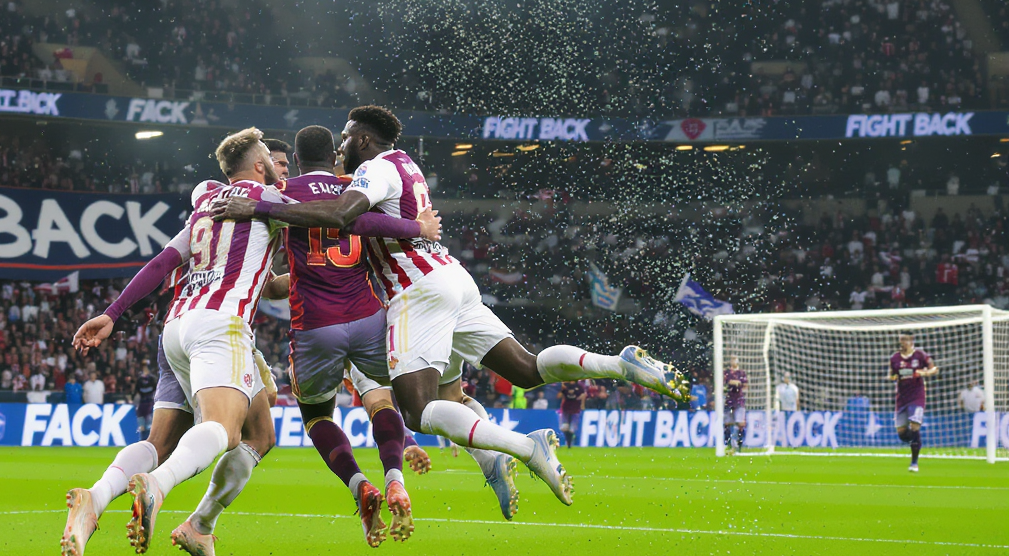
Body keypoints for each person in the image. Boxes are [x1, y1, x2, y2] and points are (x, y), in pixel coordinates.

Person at [211, 105, 690, 511]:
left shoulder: (373, 171)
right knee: (521, 370)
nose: (341, 146)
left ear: (363, 140)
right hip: (452, 277)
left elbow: (341, 216)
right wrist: (413, 228)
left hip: (417, 291)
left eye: (347, 138)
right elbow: (355, 216)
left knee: (418, 411)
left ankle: (526, 446)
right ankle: (617, 364)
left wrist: (261, 207)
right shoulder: (406, 164)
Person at [63, 127, 290, 556]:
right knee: (225, 430)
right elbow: (333, 211)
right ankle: (160, 486)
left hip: (177, 327)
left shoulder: (207, 204)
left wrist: (112, 313)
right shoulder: (272, 201)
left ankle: (97, 499)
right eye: (273, 158)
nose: (280, 167)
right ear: (259, 165)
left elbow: (163, 263)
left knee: (199, 439)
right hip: (221, 326)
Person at [264, 123, 457, 540]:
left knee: (317, 415)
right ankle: (395, 477)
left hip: (317, 324)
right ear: (334, 154)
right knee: (383, 398)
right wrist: (419, 228)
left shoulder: (281, 194)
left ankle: (358, 485)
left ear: (295, 160)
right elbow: (376, 226)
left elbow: (276, 272)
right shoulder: (354, 187)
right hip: (369, 316)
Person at [889, 334, 937, 472]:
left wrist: (924, 373)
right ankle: (916, 442)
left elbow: (934, 368)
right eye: (901, 340)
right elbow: (892, 375)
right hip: (902, 398)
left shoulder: (920, 355)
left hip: (917, 397)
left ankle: (914, 463)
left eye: (905, 339)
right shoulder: (895, 358)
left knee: (915, 426)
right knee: (902, 433)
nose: (902, 342)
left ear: (911, 341)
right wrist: (894, 376)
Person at [723, 357, 747, 454]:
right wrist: (736, 382)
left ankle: (739, 446)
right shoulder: (727, 372)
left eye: (735, 359)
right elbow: (727, 382)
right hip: (729, 400)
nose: (733, 361)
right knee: (727, 423)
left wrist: (737, 383)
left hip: (739, 400)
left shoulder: (741, 373)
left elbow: (745, 385)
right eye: (732, 359)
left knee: (740, 423)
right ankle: (729, 445)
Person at [558, 380, 589, 448]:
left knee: (572, 428)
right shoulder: (565, 386)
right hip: (566, 408)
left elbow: (583, 394)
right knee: (564, 427)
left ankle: (570, 442)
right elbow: (560, 396)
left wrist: (582, 404)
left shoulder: (579, 386)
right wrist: (561, 388)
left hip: (575, 408)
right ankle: (568, 440)